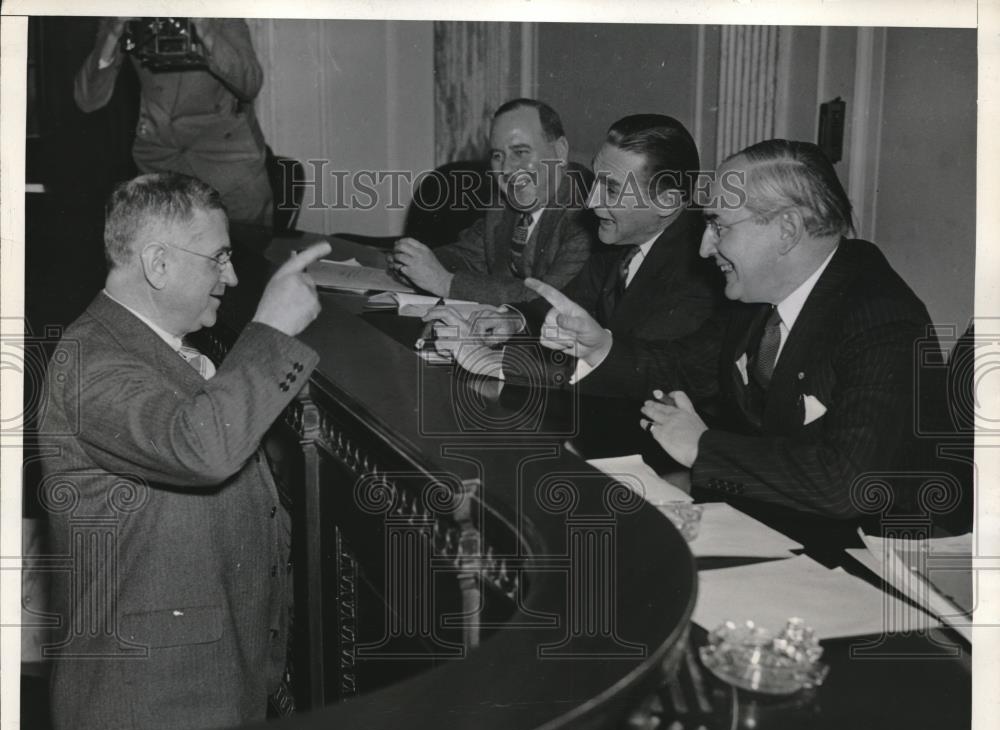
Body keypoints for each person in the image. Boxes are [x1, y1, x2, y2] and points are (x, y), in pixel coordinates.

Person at [38, 172, 330, 730]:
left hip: (213, 691)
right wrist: (270, 330)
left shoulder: (157, 348)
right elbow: (203, 449)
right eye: (218, 258)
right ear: (159, 264)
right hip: (148, 714)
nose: (233, 276)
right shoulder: (89, 363)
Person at [525, 139, 935, 520]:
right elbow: (689, 366)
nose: (704, 248)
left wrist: (703, 449)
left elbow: (852, 484)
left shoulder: (882, 321)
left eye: (719, 226)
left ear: (787, 230)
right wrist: (599, 346)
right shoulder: (759, 293)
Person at [424, 114, 723, 399]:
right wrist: (514, 321)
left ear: (667, 202)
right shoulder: (620, 234)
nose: (592, 201)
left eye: (612, 189)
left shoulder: (701, 271)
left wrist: (490, 362)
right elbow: (574, 300)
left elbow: (635, 375)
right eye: (597, 180)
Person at [388, 98, 596, 304]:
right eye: (498, 156)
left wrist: (444, 283)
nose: (505, 169)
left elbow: (549, 299)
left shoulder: (588, 213)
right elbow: (468, 255)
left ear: (560, 151)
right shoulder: (505, 202)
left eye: (520, 152)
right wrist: (412, 263)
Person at [74, 18, 273, 225]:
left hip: (226, 164)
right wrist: (113, 33)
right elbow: (87, 99)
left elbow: (250, 83)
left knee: (244, 253)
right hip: (161, 164)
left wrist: (205, 28)